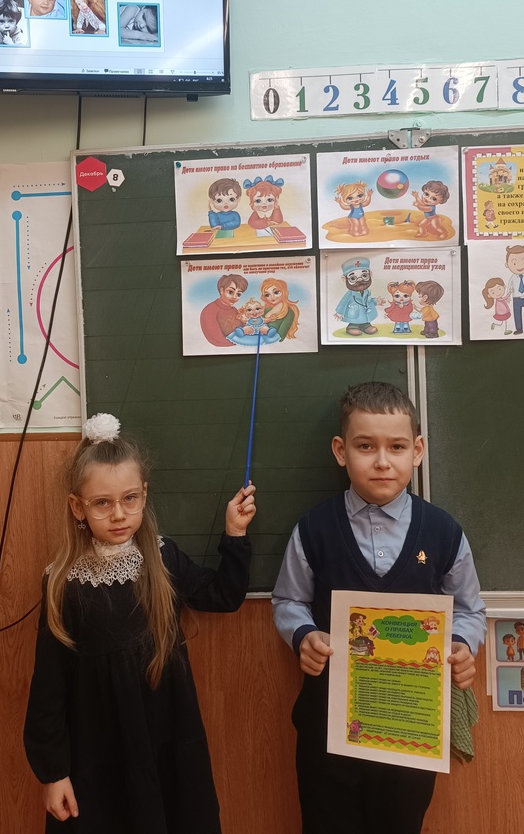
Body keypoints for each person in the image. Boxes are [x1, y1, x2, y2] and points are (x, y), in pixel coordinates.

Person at [24, 413, 256, 832]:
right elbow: (49, 687)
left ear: (144, 495)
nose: (119, 514)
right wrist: (53, 773)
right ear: (77, 506)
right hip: (100, 755)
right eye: (102, 503)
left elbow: (223, 596)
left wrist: (235, 534)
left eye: (129, 498)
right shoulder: (63, 582)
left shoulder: (163, 559)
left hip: (168, 741)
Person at [272, 382, 486, 834]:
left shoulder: (444, 532)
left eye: (397, 447)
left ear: (418, 451)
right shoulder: (314, 529)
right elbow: (289, 599)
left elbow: (469, 609)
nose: (383, 461)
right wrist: (303, 635)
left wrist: (463, 645)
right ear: (341, 450)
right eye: (365, 446)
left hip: (411, 729)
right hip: (329, 726)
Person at [200, 273, 248, 346]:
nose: (234, 297)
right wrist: (243, 341)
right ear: (222, 290)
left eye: (238, 294)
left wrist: (245, 322)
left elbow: (242, 329)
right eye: (230, 292)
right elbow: (217, 340)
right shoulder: (210, 310)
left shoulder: (234, 310)